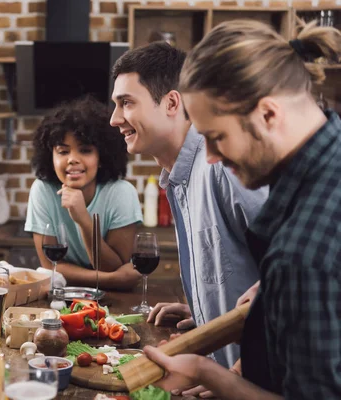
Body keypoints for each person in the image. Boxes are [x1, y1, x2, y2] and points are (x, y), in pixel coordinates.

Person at [143, 19, 341, 399]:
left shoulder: (300, 256)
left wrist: (209, 371)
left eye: (217, 138)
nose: (213, 158)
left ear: (268, 114)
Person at [109, 42, 267, 374]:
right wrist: (207, 314)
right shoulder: (180, 178)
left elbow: (296, 275)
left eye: (126, 103)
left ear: (171, 102)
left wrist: (239, 370)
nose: (114, 119)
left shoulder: (223, 166)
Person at [25, 96, 143, 290]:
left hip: (116, 302)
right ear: (50, 157)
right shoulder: (42, 190)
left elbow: (113, 265)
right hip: (62, 298)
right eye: (63, 152)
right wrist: (112, 280)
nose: (73, 159)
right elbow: (50, 266)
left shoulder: (121, 193)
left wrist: (83, 219)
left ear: (102, 156)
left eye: (85, 150)